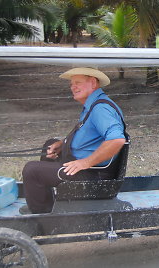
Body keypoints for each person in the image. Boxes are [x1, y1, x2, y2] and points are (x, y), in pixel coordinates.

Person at [20, 67, 127, 214]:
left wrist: (85, 162)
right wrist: (62, 143)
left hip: (93, 175)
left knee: (31, 170)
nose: (73, 87)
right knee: (50, 144)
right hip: (89, 168)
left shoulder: (100, 109)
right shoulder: (94, 104)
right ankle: (44, 199)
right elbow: (88, 135)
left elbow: (117, 140)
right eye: (71, 84)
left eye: (78, 82)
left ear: (93, 83)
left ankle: (43, 216)